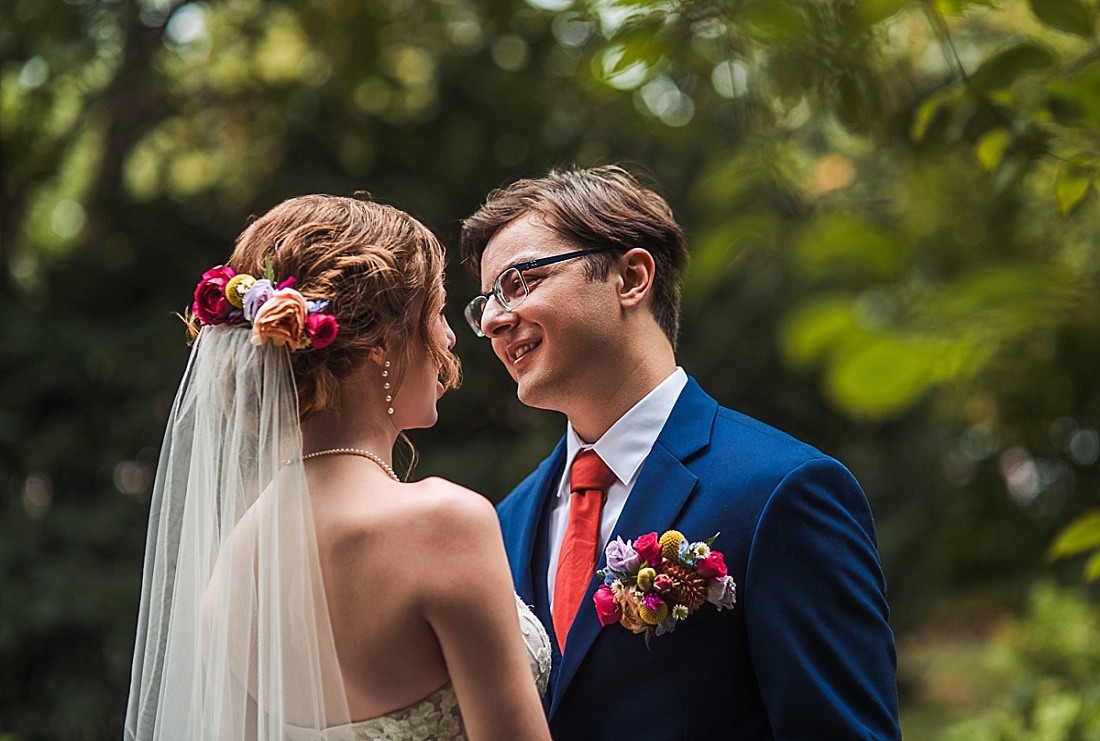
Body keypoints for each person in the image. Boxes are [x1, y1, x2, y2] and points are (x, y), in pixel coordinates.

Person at [460, 165, 902, 740]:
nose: (494, 318)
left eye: (519, 281)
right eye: (485, 303)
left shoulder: (782, 490)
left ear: (630, 278)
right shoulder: (504, 521)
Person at [125, 195, 552, 741]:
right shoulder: (443, 524)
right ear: (379, 343)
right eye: (438, 311)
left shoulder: (230, 570)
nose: (449, 337)